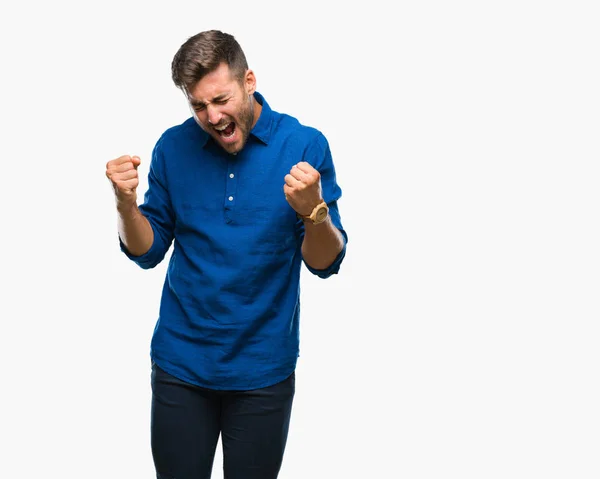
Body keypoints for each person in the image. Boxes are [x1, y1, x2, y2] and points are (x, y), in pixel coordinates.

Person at [105, 29, 348, 479]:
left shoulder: (304, 145)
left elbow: (325, 263)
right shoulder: (173, 147)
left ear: (249, 81)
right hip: (182, 363)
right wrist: (124, 204)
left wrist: (314, 212)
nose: (213, 117)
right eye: (199, 106)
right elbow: (148, 251)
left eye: (221, 100)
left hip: (263, 371)